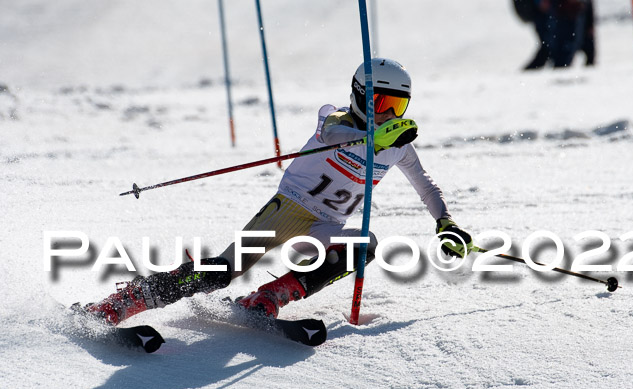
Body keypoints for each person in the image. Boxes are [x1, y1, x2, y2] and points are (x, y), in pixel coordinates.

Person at [79, 58, 473, 325]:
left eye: (397, 106)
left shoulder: (399, 147)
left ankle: (271, 296)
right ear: (359, 95)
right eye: (380, 102)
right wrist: (373, 137)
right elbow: (336, 134)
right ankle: (126, 300)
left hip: (324, 227)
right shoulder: (335, 120)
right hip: (285, 212)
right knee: (219, 273)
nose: (388, 114)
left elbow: (426, 185)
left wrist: (445, 222)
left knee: (365, 244)